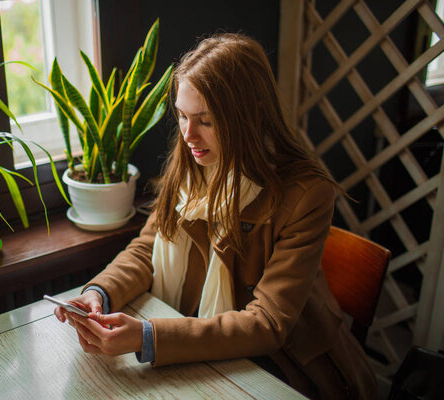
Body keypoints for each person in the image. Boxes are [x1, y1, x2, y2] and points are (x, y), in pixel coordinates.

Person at [54, 33, 378, 399]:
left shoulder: (306, 194)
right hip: (200, 348)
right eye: (181, 116)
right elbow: (147, 248)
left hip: (283, 367)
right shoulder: (193, 161)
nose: (189, 135)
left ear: (251, 113)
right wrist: (100, 292)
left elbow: (268, 324)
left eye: (205, 120)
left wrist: (148, 337)